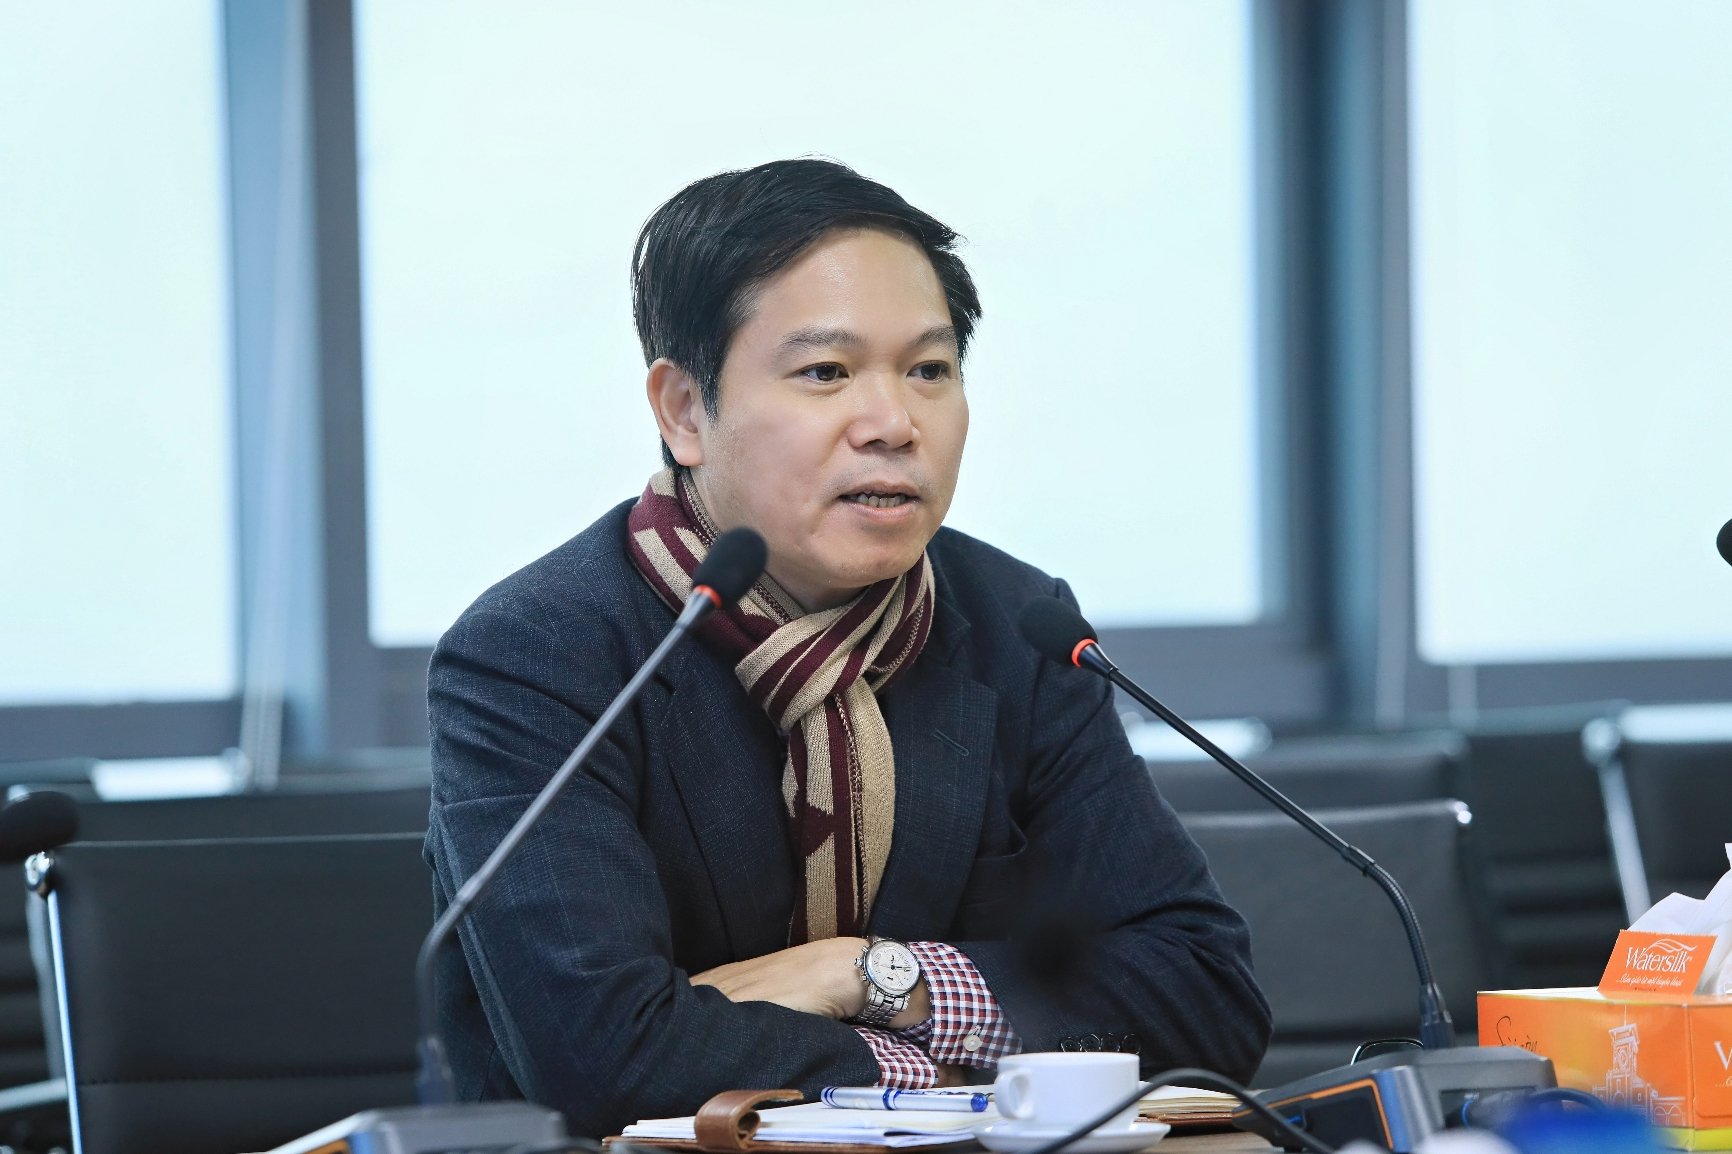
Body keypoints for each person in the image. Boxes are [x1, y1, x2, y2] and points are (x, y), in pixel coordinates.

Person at [425, 158, 1270, 1138]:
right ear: (684, 410)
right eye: (826, 372)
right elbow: (601, 1057)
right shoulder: (536, 652)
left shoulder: (1017, 625)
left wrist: (871, 976)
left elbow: (1206, 999)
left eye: (929, 370)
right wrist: (956, 1069)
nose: (893, 424)